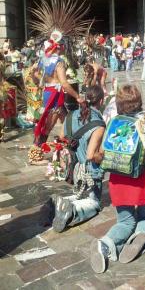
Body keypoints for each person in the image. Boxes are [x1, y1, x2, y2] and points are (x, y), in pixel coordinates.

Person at [90, 85, 145, 273]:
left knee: (125, 221)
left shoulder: (114, 122)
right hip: (144, 180)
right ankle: (142, 234)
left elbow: (101, 154)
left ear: (119, 105)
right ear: (139, 102)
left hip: (119, 180)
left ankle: (106, 243)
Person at [52, 85, 106, 232]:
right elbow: (90, 155)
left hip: (74, 170)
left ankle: (59, 203)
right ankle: (72, 211)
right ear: (101, 101)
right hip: (90, 172)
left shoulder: (70, 115)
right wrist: (103, 156)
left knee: (80, 193)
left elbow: (62, 137)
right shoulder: (99, 124)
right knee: (94, 203)